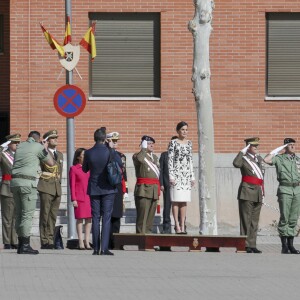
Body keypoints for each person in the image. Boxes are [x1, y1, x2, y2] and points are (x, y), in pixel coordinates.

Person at [10, 131, 54, 254]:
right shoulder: (38, 146)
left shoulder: (20, 146)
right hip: (27, 184)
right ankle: (25, 245)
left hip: (15, 183)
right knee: (27, 215)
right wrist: (44, 148)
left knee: (18, 214)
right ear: (38, 139)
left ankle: (20, 244)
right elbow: (51, 163)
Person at [82, 127, 122, 256]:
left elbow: (84, 169)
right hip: (109, 188)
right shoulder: (110, 151)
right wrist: (110, 148)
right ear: (105, 139)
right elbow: (119, 164)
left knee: (95, 217)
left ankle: (95, 248)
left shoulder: (88, 152)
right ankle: (104, 249)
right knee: (106, 217)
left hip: (94, 188)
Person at [264, 138, 300, 254]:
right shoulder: (279, 158)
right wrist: (277, 149)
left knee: (293, 218)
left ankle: (291, 245)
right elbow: (266, 159)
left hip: (297, 189)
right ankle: (284, 246)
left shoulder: (298, 160)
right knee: (285, 217)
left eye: (294, 145)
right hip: (285, 189)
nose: (293, 147)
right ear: (285, 147)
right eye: (290, 145)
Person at [233, 137, 264, 254]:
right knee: (246, 220)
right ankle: (244, 245)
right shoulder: (244, 159)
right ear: (248, 147)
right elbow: (236, 164)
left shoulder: (258, 159)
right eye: (253, 145)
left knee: (254, 222)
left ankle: (252, 244)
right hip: (246, 192)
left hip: (257, 192)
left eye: (257, 145)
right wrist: (242, 151)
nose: (256, 147)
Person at [37, 130, 63, 250]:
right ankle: (44, 240)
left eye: (56, 137)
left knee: (53, 216)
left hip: (57, 187)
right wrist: (43, 148)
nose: (56, 139)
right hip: (46, 186)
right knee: (45, 215)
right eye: (53, 138)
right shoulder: (43, 153)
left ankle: (51, 239)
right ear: (47, 141)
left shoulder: (60, 154)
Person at [168, 121, 195, 234]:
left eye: (186, 129)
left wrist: (192, 177)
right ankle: (177, 225)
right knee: (176, 201)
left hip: (186, 176)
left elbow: (190, 161)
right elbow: (170, 160)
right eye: (183, 129)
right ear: (178, 131)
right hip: (176, 176)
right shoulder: (173, 143)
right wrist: (171, 176)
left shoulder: (189, 143)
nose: (185, 132)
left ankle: (183, 226)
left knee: (184, 202)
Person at [133, 135, 160, 234]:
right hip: (143, 190)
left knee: (150, 216)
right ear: (143, 145)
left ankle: (148, 235)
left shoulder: (155, 157)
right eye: (149, 144)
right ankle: (140, 236)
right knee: (142, 216)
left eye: (152, 144)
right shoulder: (138, 155)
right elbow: (140, 159)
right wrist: (143, 148)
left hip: (153, 189)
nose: (152, 145)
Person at [106, 132, 128, 250]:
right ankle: (107, 242)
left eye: (116, 141)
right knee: (108, 216)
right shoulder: (106, 153)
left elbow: (124, 174)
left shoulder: (121, 156)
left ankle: (116, 242)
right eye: (113, 141)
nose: (115, 143)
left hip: (119, 188)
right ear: (107, 141)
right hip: (108, 187)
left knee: (117, 216)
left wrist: (126, 190)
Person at [0, 133, 21, 249]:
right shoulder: (3, 155)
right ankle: (7, 241)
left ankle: (14, 240)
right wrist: (2, 146)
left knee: (16, 217)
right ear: (9, 144)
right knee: (7, 217)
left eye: (19, 142)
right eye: (15, 142)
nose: (18, 144)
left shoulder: (20, 155)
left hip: (18, 188)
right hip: (7, 188)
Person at [69, 148, 92, 250]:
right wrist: (73, 199)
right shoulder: (74, 169)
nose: (85, 157)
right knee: (80, 219)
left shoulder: (90, 168)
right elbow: (72, 185)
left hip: (89, 197)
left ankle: (87, 241)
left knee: (89, 219)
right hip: (79, 198)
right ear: (78, 157)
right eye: (83, 155)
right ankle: (80, 241)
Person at [159, 136, 178, 234]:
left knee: (179, 206)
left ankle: (180, 226)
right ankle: (166, 227)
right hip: (167, 185)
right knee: (167, 206)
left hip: (179, 186)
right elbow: (161, 170)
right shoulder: (164, 155)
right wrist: (161, 183)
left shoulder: (180, 156)